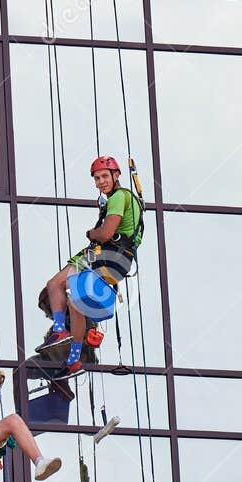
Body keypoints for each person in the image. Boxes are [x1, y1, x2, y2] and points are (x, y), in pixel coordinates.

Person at [39, 156, 144, 374]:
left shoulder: (118, 197)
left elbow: (106, 233)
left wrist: (91, 233)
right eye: (97, 178)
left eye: (105, 176)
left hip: (107, 254)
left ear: (116, 176)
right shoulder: (123, 199)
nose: (100, 182)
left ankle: (60, 330)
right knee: (75, 302)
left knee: (57, 284)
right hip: (116, 259)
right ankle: (74, 358)